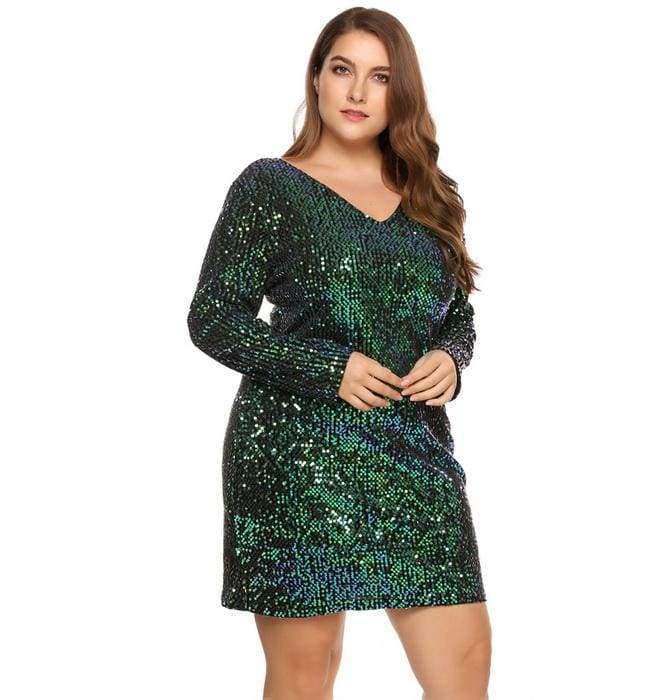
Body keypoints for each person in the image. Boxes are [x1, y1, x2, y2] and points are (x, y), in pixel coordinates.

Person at [187, 7, 492, 699]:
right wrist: (330, 368)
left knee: (464, 668)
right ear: (317, 79)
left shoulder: (429, 194)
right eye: (342, 70)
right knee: (307, 672)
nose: (357, 91)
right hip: (297, 454)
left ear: (401, 91)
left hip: (414, 450)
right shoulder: (270, 186)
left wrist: (452, 355)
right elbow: (212, 319)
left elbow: (457, 312)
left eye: (380, 77)